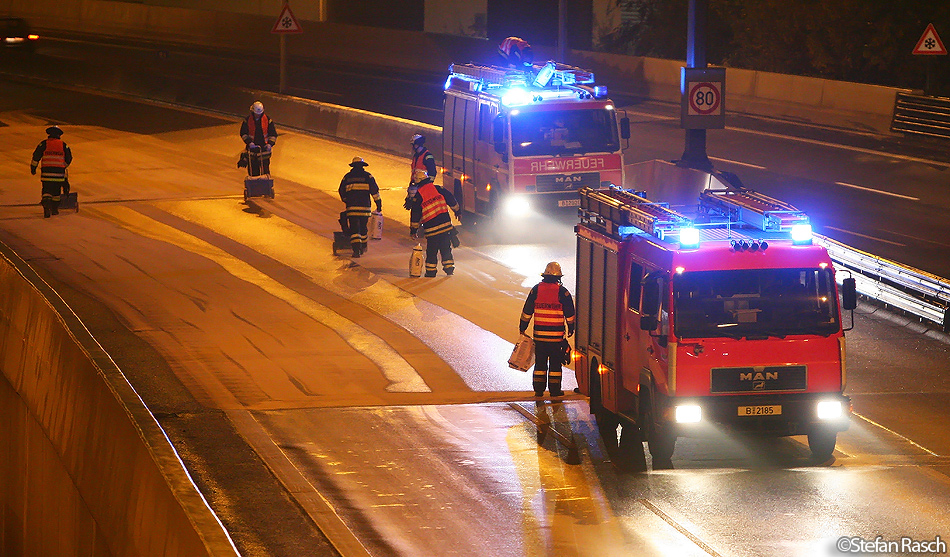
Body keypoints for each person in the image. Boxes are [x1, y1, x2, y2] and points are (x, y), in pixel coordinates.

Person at [519, 262, 576, 397]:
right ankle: (554, 391)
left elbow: (527, 312)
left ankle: (538, 390)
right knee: (555, 365)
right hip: (556, 338)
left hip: (539, 337)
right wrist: (571, 328)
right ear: (559, 277)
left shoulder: (536, 290)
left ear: (544, 276)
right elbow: (570, 314)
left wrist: (522, 327)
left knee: (540, 364)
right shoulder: (563, 292)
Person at [407, 169, 459, 277]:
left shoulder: (419, 196)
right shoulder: (438, 188)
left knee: (432, 250)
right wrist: (458, 211)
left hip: (432, 230)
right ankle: (449, 268)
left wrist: (413, 230)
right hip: (445, 226)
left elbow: (415, 215)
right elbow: (451, 199)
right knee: (446, 248)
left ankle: (431, 271)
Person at [339, 157, 382, 258]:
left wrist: (346, 200)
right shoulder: (368, 176)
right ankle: (363, 247)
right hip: (365, 209)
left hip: (352, 208)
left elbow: (341, 190)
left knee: (354, 230)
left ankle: (356, 250)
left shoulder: (347, 177)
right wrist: (379, 204)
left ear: (353, 166)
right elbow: (375, 191)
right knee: (363, 228)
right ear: (363, 166)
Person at [30, 125, 72, 218]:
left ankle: (46, 204)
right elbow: (69, 158)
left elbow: (36, 156)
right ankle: (54, 209)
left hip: (46, 174)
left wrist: (33, 168)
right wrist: (63, 166)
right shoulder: (64, 145)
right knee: (56, 193)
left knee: (46, 190)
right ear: (59, 135)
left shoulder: (44, 144)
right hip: (58, 174)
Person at [240, 101, 278, 177]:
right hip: (252, 151)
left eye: (259, 114)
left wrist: (270, 144)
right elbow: (243, 133)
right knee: (253, 173)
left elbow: (273, 134)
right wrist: (249, 142)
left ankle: (265, 188)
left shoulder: (267, 120)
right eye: (256, 114)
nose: (258, 115)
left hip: (264, 151)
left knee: (265, 173)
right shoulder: (247, 121)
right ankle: (254, 187)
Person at [404, 133, 437, 210]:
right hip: (416, 188)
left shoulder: (427, 156)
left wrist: (428, 186)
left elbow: (433, 173)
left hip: (424, 189)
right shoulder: (416, 156)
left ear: (417, 145)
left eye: (413, 145)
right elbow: (414, 174)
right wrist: (409, 196)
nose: (412, 147)